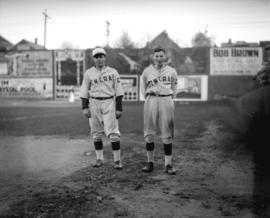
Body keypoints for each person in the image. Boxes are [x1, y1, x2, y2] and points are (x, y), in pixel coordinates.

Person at [80, 47, 124, 169]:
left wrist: (119, 108)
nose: (99, 59)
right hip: (93, 103)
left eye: (101, 56)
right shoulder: (89, 73)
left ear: (105, 57)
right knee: (96, 133)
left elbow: (119, 91)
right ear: (93, 59)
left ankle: (117, 161)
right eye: (97, 57)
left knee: (114, 133)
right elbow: (84, 91)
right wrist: (84, 107)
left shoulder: (113, 72)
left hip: (109, 102)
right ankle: (99, 159)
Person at [140, 46, 178, 175]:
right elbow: (143, 88)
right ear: (153, 57)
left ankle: (168, 164)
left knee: (167, 132)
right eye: (157, 56)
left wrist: (169, 98)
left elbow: (174, 87)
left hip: (166, 99)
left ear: (165, 57)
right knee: (149, 132)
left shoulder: (172, 71)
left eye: (161, 56)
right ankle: (150, 162)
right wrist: (149, 98)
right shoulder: (147, 71)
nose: (159, 58)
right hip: (151, 99)